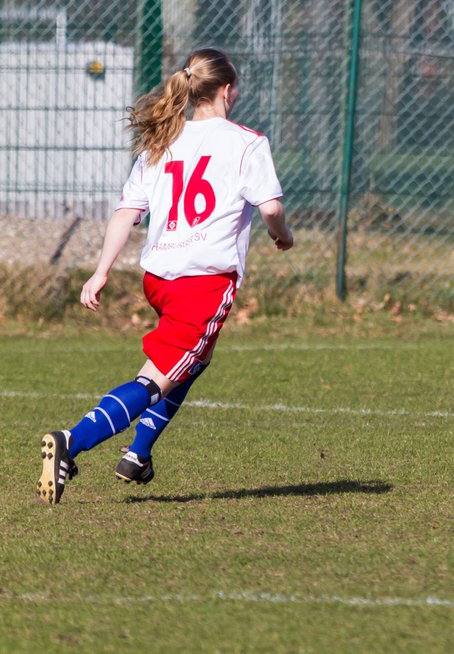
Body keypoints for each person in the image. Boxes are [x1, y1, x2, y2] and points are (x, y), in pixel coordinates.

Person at [36, 48, 294, 505]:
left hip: (159, 279)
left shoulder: (163, 142)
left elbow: (125, 213)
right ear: (228, 91)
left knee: (194, 360)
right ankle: (70, 443)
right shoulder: (247, 142)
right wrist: (283, 236)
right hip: (204, 282)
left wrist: (100, 272)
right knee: (155, 382)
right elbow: (271, 207)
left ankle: (138, 456)